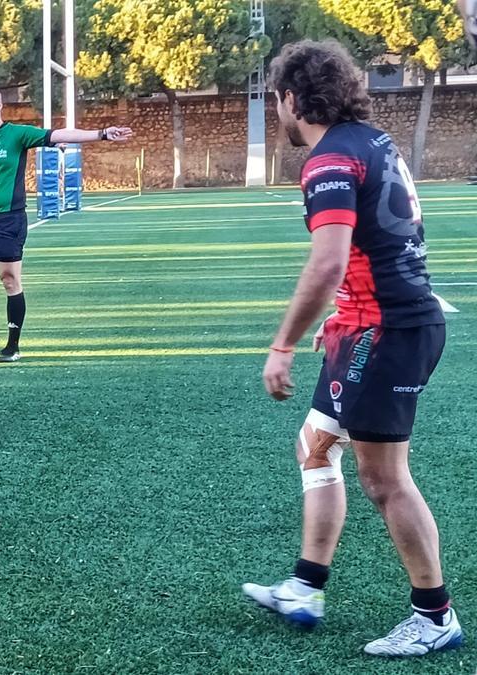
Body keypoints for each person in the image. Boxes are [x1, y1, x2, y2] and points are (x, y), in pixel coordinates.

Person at [242, 40, 461, 657]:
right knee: (316, 444)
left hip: (385, 332)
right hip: (370, 324)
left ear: (290, 98)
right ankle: (305, 587)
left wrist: (281, 343)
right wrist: (344, 315)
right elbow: (387, 240)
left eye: (274, 101)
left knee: (384, 478)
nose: (276, 112)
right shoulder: (370, 140)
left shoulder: (328, 159)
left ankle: (435, 615)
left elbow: (328, 260)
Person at [0, 87, 132, 362]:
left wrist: (100, 134)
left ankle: (13, 346)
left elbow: (59, 135)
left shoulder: (17, 134)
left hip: (10, 221)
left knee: (9, 279)